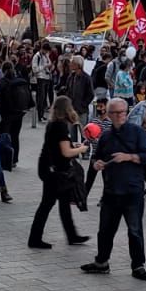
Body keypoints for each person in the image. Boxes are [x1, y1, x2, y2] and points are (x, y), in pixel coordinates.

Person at [81, 98, 146, 280]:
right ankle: (102, 262)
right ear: (109, 114)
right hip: (111, 191)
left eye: (122, 112)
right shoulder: (105, 136)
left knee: (134, 230)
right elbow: (96, 158)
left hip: (132, 191)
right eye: (115, 113)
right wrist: (96, 164)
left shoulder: (137, 132)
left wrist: (128, 157)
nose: (119, 115)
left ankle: (138, 265)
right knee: (105, 229)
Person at [28, 96, 89, 249]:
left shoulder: (53, 124)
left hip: (50, 168)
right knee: (47, 204)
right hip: (55, 172)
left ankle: (72, 235)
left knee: (63, 203)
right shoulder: (61, 126)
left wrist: (71, 144)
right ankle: (35, 238)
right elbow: (66, 152)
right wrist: (81, 149)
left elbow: (59, 146)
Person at [0, 62, 32, 169]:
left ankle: (6, 160)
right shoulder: (21, 81)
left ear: (3, 71)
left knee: (5, 136)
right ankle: (14, 159)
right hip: (19, 114)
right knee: (15, 136)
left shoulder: (2, 82)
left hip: (5, 114)